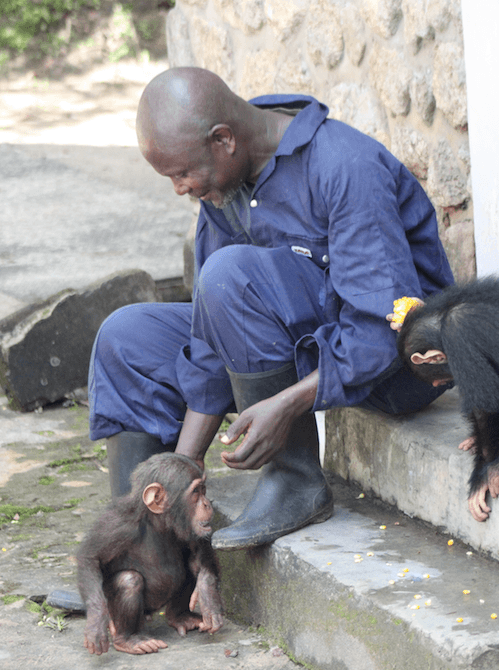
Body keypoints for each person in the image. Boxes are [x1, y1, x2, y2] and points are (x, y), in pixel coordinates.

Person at [89, 66, 454, 550]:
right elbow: (210, 331)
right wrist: (181, 472)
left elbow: (384, 332)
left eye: (181, 173)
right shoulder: (224, 181)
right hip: (299, 341)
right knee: (126, 337)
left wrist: (284, 405)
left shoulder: (344, 166)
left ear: (224, 140)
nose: (180, 188)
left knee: (228, 276)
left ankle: (296, 479)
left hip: (395, 369)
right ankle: (143, 542)